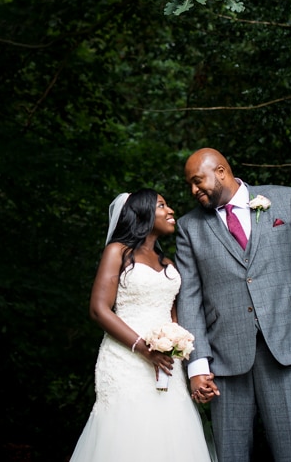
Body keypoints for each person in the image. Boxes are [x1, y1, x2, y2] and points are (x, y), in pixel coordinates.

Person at [176, 148, 291, 462]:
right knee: (230, 455)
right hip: (224, 361)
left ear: (221, 171)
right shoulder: (189, 227)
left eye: (197, 181)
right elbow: (190, 298)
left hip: (288, 350)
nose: (193, 190)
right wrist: (197, 366)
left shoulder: (283, 199)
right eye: (189, 185)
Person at [69, 188, 216, 462]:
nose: (170, 210)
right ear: (143, 213)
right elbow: (99, 310)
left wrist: (186, 357)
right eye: (162, 205)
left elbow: (176, 319)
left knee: (170, 432)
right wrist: (144, 349)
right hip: (125, 361)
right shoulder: (118, 252)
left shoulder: (169, 264)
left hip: (166, 364)